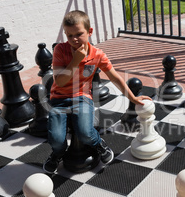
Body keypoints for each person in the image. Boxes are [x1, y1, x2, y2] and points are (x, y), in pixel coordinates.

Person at [43, 10, 151, 174]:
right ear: (65, 33)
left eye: (79, 34)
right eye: (69, 35)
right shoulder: (60, 50)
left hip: (82, 97)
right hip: (59, 99)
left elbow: (115, 78)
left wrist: (133, 98)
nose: (74, 39)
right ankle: (57, 154)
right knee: (57, 140)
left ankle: (99, 144)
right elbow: (59, 81)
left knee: (86, 133)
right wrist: (75, 61)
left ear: (89, 31)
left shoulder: (97, 55)